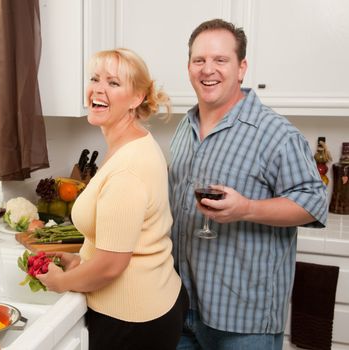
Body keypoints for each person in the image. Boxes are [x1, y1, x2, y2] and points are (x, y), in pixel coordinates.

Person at [168, 18, 328, 350]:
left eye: (220, 60)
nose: (207, 69)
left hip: (243, 322)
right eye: (199, 60)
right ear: (189, 67)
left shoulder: (276, 133)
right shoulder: (184, 127)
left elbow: (314, 201)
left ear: (241, 68)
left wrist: (247, 208)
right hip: (182, 306)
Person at [37, 48, 189, 349]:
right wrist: (82, 260)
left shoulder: (127, 169)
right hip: (152, 302)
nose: (98, 89)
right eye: (95, 78)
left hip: (131, 321)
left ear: (137, 98)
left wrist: (60, 282)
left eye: (114, 83)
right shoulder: (131, 142)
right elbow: (125, 241)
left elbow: (111, 266)